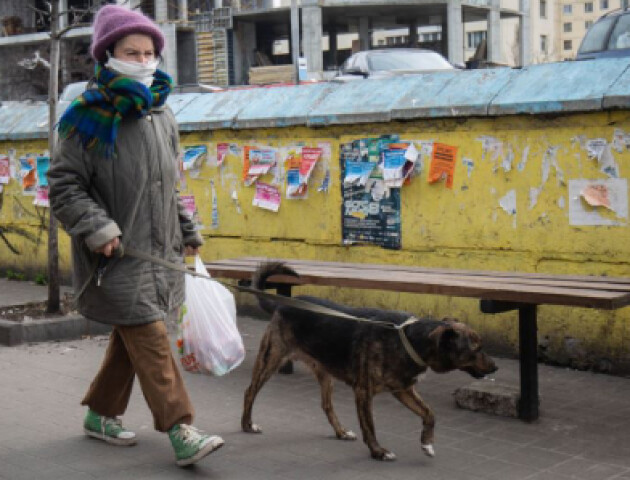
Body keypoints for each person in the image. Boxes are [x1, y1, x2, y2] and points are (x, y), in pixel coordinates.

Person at [48, 4, 223, 467]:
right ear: (109, 55)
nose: (144, 61)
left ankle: (101, 414)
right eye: (132, 52)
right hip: (115, 256)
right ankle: (181, 428)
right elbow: (65, 186)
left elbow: (171, 183)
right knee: (150, 336)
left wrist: (188, 229)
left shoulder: (160, 113)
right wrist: (98, 228)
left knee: (135, 336)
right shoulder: (84, 117)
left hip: (161, 252)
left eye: (150, 53)